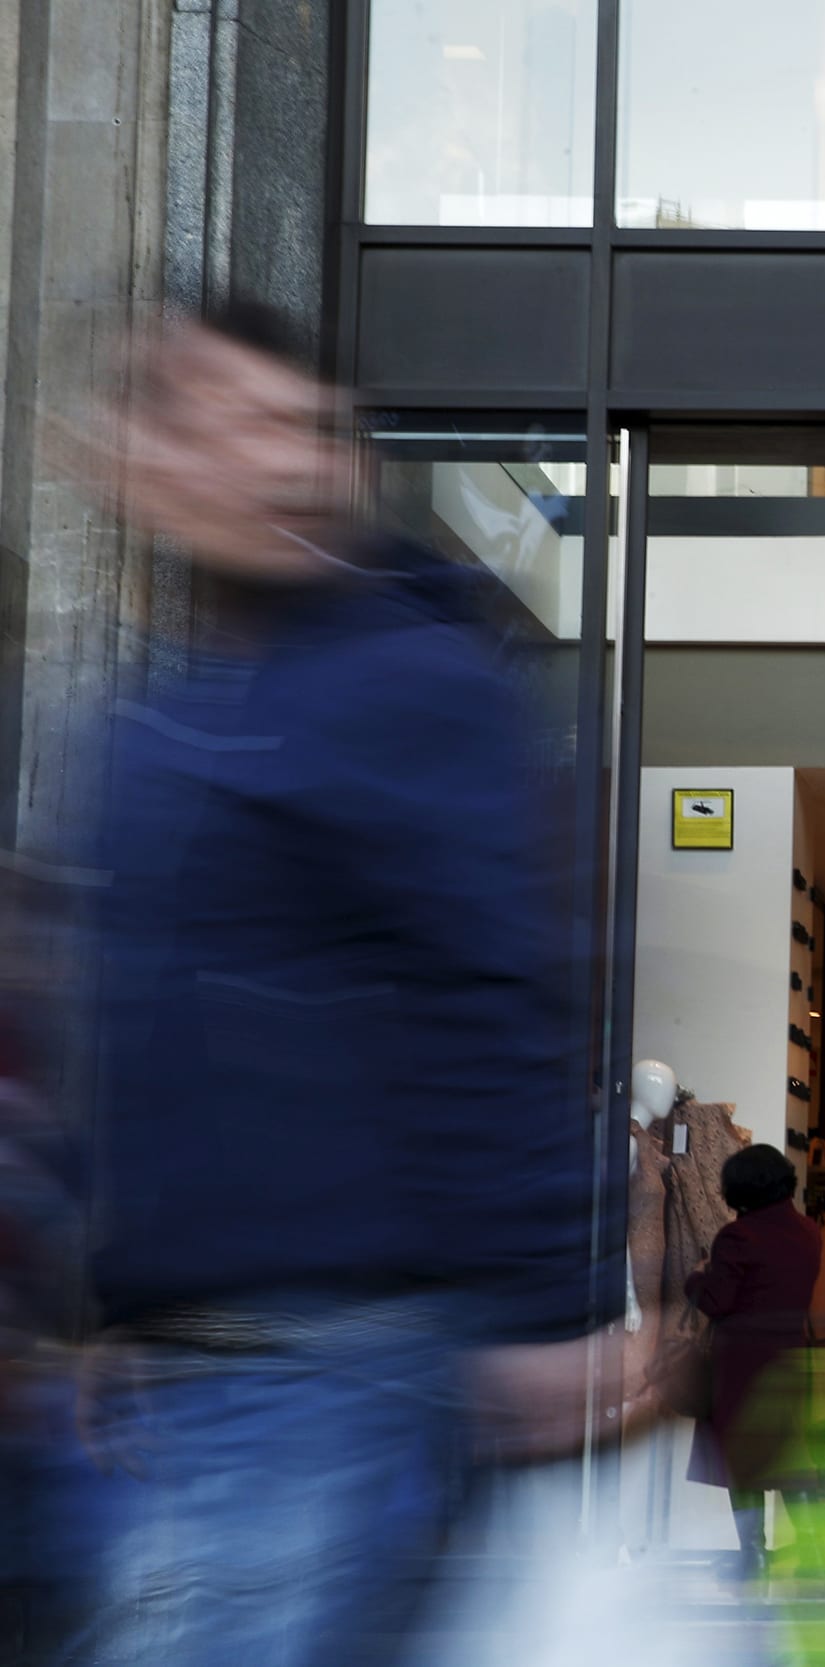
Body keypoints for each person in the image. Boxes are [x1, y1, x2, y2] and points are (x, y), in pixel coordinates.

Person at [68, 308, 596, 1667]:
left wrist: (542, 1309)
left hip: (336, 1353)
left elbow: (492, 990)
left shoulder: (406, 680)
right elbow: (129, 1030)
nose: (260, 459)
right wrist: (121, 1303)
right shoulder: (152, 715)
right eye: (202, 417)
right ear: (125, 455)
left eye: (290, 422)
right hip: (194, 1365)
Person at [685, 1145, 822, 1581]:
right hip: (789, 1357)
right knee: (789, 1456)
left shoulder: (738, 1237)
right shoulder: (809, 1232)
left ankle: (755, 1554)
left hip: (742, 1362)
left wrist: (696, 1275)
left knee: (743, 1461)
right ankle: (814, 1550)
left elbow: (716, 1299)